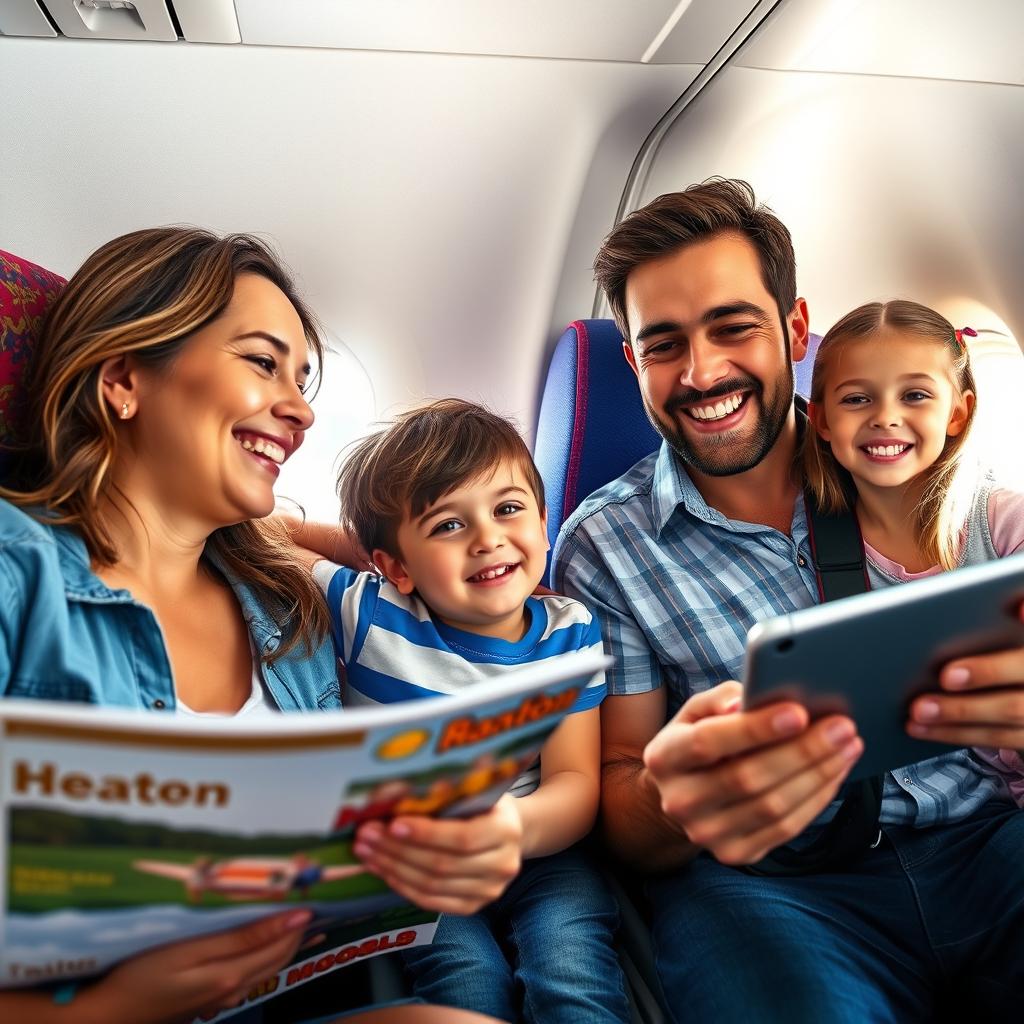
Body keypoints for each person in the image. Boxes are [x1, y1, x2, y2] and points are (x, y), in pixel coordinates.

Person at [0, 229, 518, 1024]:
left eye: (304, 378)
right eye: (262, 361)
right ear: (123, 378)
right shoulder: (16, 577)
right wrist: (113, 1005)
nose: (302, 409)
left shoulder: (285, 609)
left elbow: (429, 575)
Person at [552, 178, 1024, 1019]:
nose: (702, 373)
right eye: (663, 345)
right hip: (772, 888)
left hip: (990, 839)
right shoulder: (603, 545)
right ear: (633, 362)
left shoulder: (906, 455)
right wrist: (673, 794)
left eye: (733, 329)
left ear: (794, 329)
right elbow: (620, 792)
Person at [298, 399, 630, 1024]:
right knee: (467, 977)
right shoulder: (368, 614)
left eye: (508, 509)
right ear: (394, 565)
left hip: (540, 851)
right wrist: (368, 556)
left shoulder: (571, 633)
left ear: (541, 516)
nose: (488, 539)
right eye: (449, 525)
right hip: (412, 862)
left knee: (571, 967)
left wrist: (512, 827)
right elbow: (266, 535)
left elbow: (575, 784)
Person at [803, 298, 1024, 801]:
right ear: (821, 421)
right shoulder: (814, 547)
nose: (886, 417)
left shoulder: (1005, 525)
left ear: (958, 412)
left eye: (916, 395)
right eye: (857, 399)